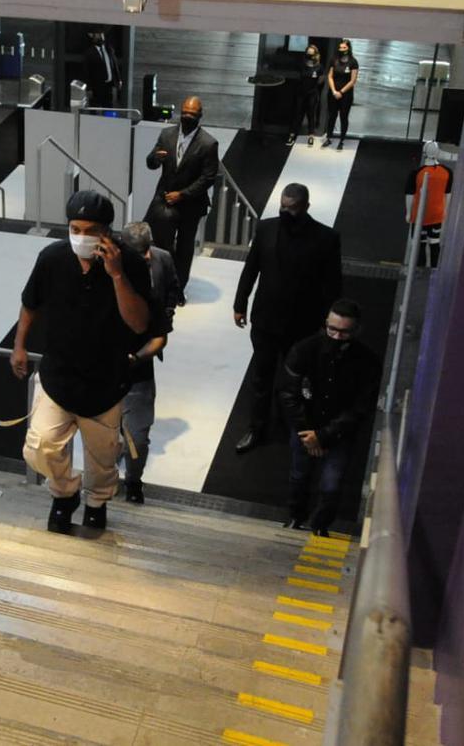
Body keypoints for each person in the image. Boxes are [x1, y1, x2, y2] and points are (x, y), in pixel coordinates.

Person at [12, 190, 151, 534]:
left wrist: (117, 274)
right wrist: (19, 346)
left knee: (102, 459)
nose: (82, 236)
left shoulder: (131, 264)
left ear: (107, 232)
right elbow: (30, 304)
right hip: (58, 375)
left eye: (91, 230)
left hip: (105, 382)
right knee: (40, 445)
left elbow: (139, 323)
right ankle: (64, 493)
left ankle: (96, 502)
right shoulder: (52, 258)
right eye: (76, 228)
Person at [233, 183, 342, 454]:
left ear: (305, 207)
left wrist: (328, 325)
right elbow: (251, 268)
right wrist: (240, 303)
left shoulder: (326, 238)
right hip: (266, 320)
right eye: (282, 206)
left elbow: (332, 285)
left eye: (291, 208)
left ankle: (296, 428)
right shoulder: (266, 229)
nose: (285, 211)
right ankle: (257, 428)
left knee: (298, 379)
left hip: (303, 323)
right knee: (261, 378)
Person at [279, 299, 381, 537]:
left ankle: (319, 524)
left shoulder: (367, 362)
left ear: (356, 331)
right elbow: (288, 393)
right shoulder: (304, 350)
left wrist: (322, 436)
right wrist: (309, 433)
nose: (336, 337)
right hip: (307, 429)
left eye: (344, 332)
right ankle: (297, 517)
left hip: (337, 433)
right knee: (300, 473)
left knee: (331, 483)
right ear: (325, 323)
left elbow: (361, 408)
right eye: (332, 329)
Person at [117, 222, 179, 504]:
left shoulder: (160, 265)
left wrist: (137, 356)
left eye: (146, 251)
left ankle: (133, 482)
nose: (145, 258)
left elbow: (160, 335)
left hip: (139, 375)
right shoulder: (105, 281)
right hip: (103, 375)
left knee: (138, 437)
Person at [143, 95, 219, 305]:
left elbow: (208, 178)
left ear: (199, 116)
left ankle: (178, 290)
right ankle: (161, 282)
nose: (187, 117)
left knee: (185, 249)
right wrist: (154, 159)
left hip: (190, 205)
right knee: (160, 243)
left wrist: (183, 194)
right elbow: (150, 162)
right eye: (184, 113)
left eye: (192, 114)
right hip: (164, 200)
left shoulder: (208, 143)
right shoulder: (167, 134)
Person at [405, 140, 454, 268]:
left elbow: (410, 195)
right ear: (437, 153)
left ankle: (419, 269)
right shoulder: (447, 172)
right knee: (434, 242)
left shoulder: (416, 173)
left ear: (424, 153)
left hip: (420, 214)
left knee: (419, 243)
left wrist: (409, 213)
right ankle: (434, 269)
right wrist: (445, 212)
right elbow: (448, 195)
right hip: (437, 214)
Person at [322, 39, 359, 150]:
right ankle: (329, 137)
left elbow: (353, 80)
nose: (341, 49)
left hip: (345, 95)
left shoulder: (353, 62)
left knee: (343, 117)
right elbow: (330, 76)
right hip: (333, 93)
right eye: (340, 47)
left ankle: (342, 140)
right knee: (332, 116)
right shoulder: (334, 60)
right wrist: (334, 91)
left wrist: (341, 92)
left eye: (344, 48)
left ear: (348, 48)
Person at [288, 44, 324, 147]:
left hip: (312, 93)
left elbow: (321, 79)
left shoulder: (319, 67)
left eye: (311, 54)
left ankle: (311, 135)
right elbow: (297, 77)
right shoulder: (301, 64)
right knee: (297, 114)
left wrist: (315, 89)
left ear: (315, 55)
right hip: (301, 93)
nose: (309, 55)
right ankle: (292, 134)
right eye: (308, 53)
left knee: (311, 114)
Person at [83, 28, 122, 109]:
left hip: (109, 86)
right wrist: (89, 88)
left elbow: (114, 65)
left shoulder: (109, 49)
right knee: (95, 109)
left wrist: (119, 80)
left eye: (102, 34)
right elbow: (87, 72)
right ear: (92, 37)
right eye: (98, 34)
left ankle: (108, 121)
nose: (101, 36)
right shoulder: (89, 53)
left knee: (109, 108)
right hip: (96, 87)